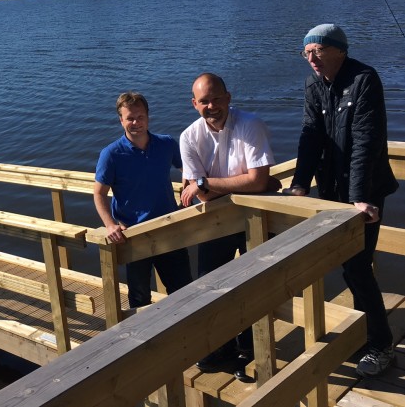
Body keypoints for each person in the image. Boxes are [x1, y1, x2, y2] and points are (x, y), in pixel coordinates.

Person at [286, 24, 399, 378]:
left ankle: (380, 344)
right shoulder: (313, 85)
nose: (311, 58)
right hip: (332, 192)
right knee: (347, 265)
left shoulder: (364, 79)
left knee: (357, 267)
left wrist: (359, 199)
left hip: (364, 194)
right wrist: (300, 184)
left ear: (339, 50)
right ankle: (369, 333)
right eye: (306, 53)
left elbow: (367, 140)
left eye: (317, 50)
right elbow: (310, 137)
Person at [179, 73, 277, 376]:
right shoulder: (189, 137)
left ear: (228, 98)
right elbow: (205, 196)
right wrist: (236, 183)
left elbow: (258, 181)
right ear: (194, 104)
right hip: (217, 221)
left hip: (255, 216)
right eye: (205, 101)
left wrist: (205, 181)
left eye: (217, 98)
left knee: (255, 281)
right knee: (210, 285)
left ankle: (250, 347)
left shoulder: (250, 124)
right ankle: (220, 349)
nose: (212, 106)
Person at [93, 91, 192, 309]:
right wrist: (110, 225)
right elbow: (99, 193)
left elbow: (186, 167)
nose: (136, 122)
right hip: (133, 235)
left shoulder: (166, 144)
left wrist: (189, 187)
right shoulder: (111, 154)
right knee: (139, 298)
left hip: (168, 227)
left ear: (148, 116)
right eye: (130, 118)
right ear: (121, 120)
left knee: (183, 290)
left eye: (140, 117)